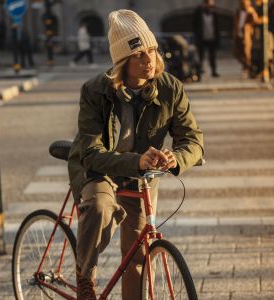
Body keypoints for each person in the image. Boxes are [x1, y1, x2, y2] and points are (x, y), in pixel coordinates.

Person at [67, 9, 204, 300]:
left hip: (142, 177)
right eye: (140, 54)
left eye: (152, 50)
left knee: (138, 259)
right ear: (122, 62)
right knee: (100, 208)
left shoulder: (171, 89)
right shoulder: (95, 91)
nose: (150, 60)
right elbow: (91, 153)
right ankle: (84, 277)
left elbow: (192, 138)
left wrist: (175, 158)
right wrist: (135, 161)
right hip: (102, 170)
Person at [233, 0, 264, 78]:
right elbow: (235, 23)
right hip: (238, 35)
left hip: (246, 35)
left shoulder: (250, 11)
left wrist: (252, 12)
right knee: (236, 53)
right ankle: (247, 66)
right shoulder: (238, 11)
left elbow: (256, 20)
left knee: (246, 53)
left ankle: (247, 69)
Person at [193, 0, 220, 77]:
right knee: (201, 56)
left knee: (212, 56)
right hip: (202, 38)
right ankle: (199, 72)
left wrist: (217, 38)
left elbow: (217, 26)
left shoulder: (214, 13)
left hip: (212, 38)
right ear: (205, 4)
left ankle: (214, 71)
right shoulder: (199, 12)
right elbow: (194, 24)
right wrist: (196, 35)